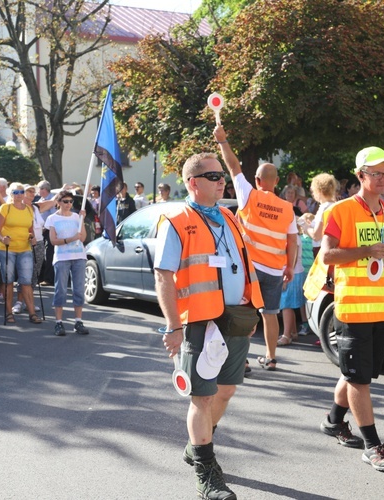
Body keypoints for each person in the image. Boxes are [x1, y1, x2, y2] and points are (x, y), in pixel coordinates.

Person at [155, 151, 263, 500]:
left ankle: (198, 442)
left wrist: (252, 310)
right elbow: (164, 276)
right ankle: (206, 471)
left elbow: (244, 266)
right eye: (214, 177)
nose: (222, 182)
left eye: (222, 176)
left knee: (226, 389)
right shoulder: (176, 219)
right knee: (202, 397)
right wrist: (173, 327)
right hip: (199, 320)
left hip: (235, 317)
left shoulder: (229, 217)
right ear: (193, 183)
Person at [319, 146, 384, 472]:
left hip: (383, 307)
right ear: (360, 176)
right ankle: (373, 446)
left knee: (357, 375)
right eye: (377, 173)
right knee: (359, 381)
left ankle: (332, 421)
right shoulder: (341, 211)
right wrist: (366, 250)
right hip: (353, 308)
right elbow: (327, 256)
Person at [215, 124, 297, 368]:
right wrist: (289, 268)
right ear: (277, 181)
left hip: (249, 268)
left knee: (244, 312)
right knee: (270, 314)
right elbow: (292, 240)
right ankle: (271, 358)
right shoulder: (287, 208)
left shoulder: (249, 195)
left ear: (257, 180)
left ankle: (243, 362)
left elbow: (233, 166)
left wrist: (222, 141)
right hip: (274, 270)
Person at [0, 182, 41, 324]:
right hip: (7, 248)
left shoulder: (29, 209)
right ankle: (9, 313)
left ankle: (32, 313)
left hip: (25, 248)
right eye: (16, 192)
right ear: (10, 194)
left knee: (26, 282)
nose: (19, 195)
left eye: (21, 192)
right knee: (9, 282)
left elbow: (30, 230)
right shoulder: (5, 208)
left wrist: (33, 238)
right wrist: (3, 238)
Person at [45, 190, 89, 336]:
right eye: (65, 201)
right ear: (58, 202)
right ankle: (58, 322)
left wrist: (82, 220)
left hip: (79, 257)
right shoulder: (52, 218)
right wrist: (70, 239)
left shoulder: (76, 216)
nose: (68, 204)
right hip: (62, 258)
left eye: (71, 201)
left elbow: (82, 238)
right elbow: (53, 241)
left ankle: (78, 321)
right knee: (61, 290)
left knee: (78, 290)